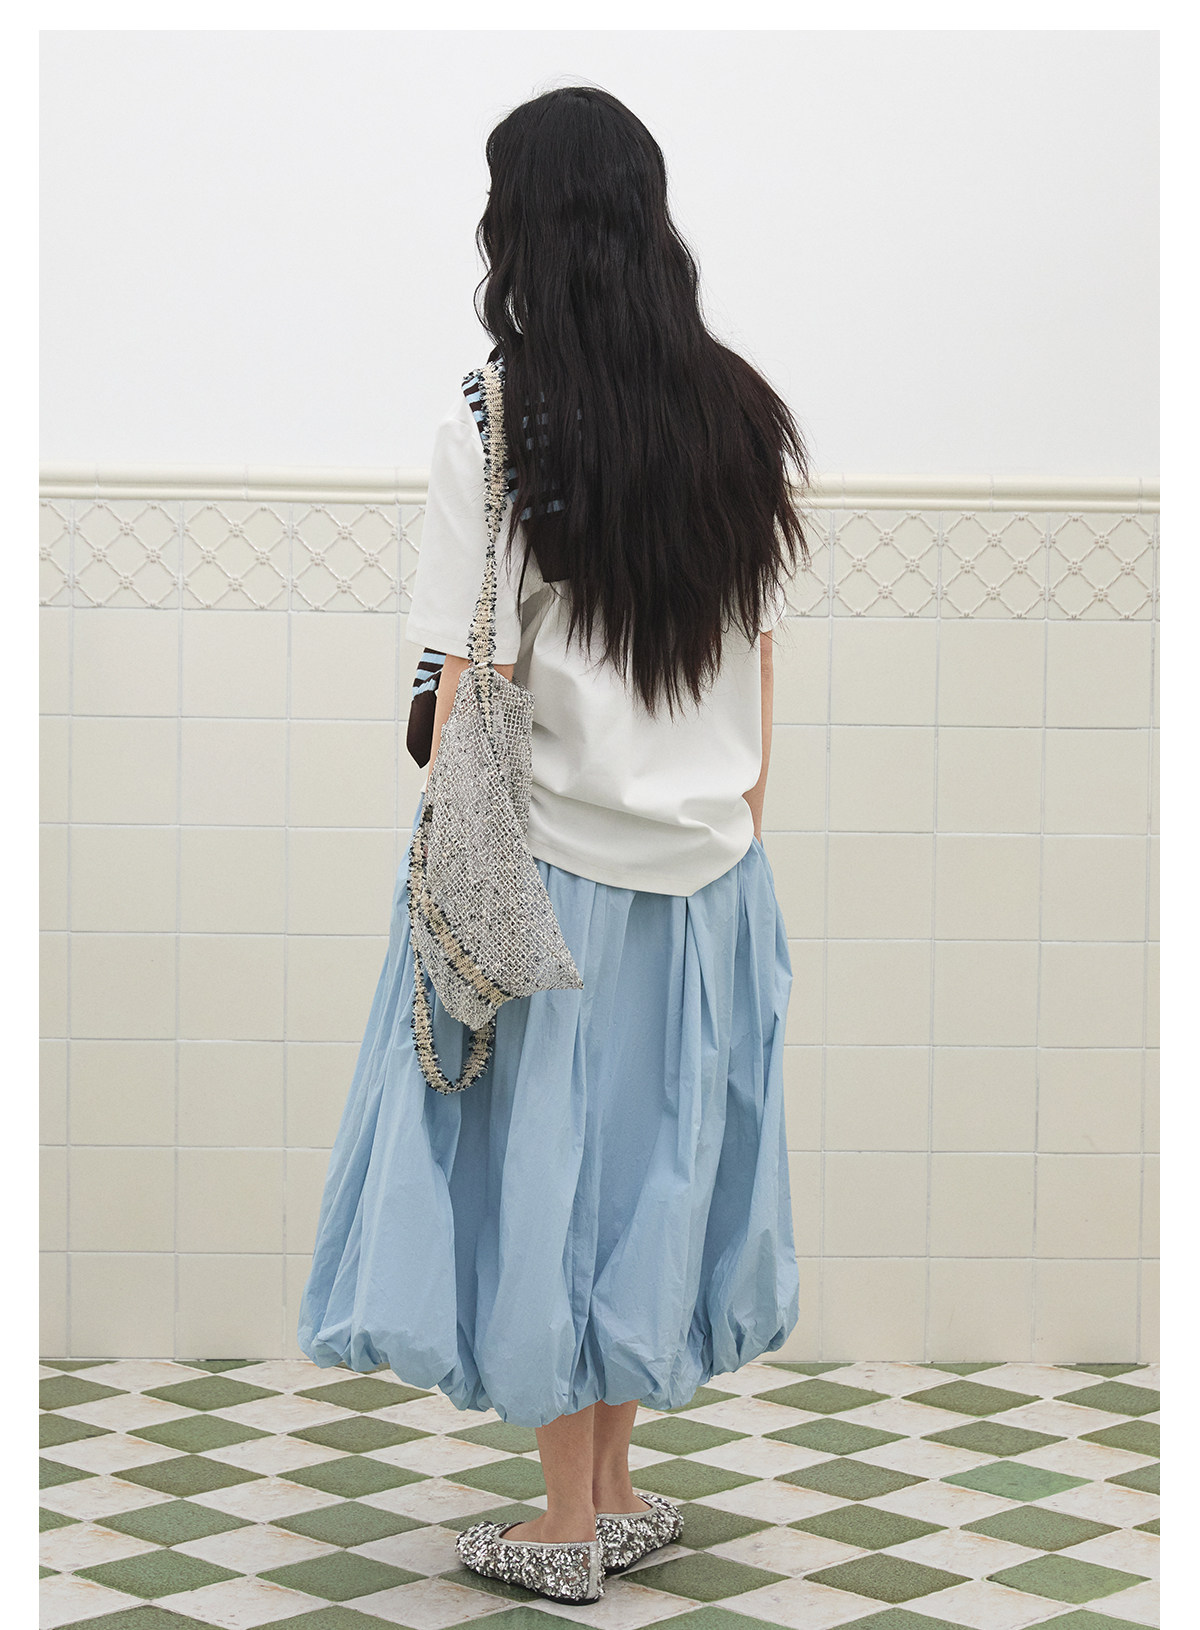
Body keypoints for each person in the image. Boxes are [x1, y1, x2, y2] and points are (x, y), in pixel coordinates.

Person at [298, 84, 811, 1606]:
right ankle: (619, 1488)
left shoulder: (496, 416)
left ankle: (568, 1525)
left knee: (554, 1184)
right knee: (659, 1173)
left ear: (522, 223)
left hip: (552, 876)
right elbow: (758, 652)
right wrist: (732, 827)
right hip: (714, 876)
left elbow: (464, 676)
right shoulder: (741, 412)